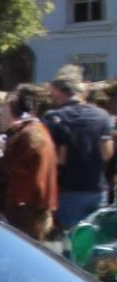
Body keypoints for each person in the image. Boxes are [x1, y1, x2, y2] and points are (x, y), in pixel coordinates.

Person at [44, 71, 114, 238]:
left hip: (68, 189)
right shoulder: (102, 116)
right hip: (97, 187)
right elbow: (107, 153)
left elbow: (57, 157)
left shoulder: (54, 117)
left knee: (70, 241)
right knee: (92, 240)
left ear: (56, 91)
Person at [0, 86, 58, 242]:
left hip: (27, 206)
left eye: (4, 108)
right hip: (30, 205)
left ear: (11, 111)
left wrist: (3, 152)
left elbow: (17, 169)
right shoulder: (32, 130)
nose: (0, 113)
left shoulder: (29, 134)